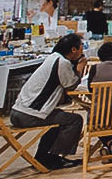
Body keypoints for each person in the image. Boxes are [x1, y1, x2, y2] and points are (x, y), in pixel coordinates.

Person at [9, 34, 87, 170]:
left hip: (19, 111)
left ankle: (44, 156)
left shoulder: (53, 58)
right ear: (73, 49)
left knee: (59, 119)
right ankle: (56, 157)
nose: (82, 51)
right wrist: (80, 67)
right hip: (31, 114)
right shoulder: (62, 63)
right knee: (74, 120)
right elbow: (70, 84)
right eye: (81, 48)